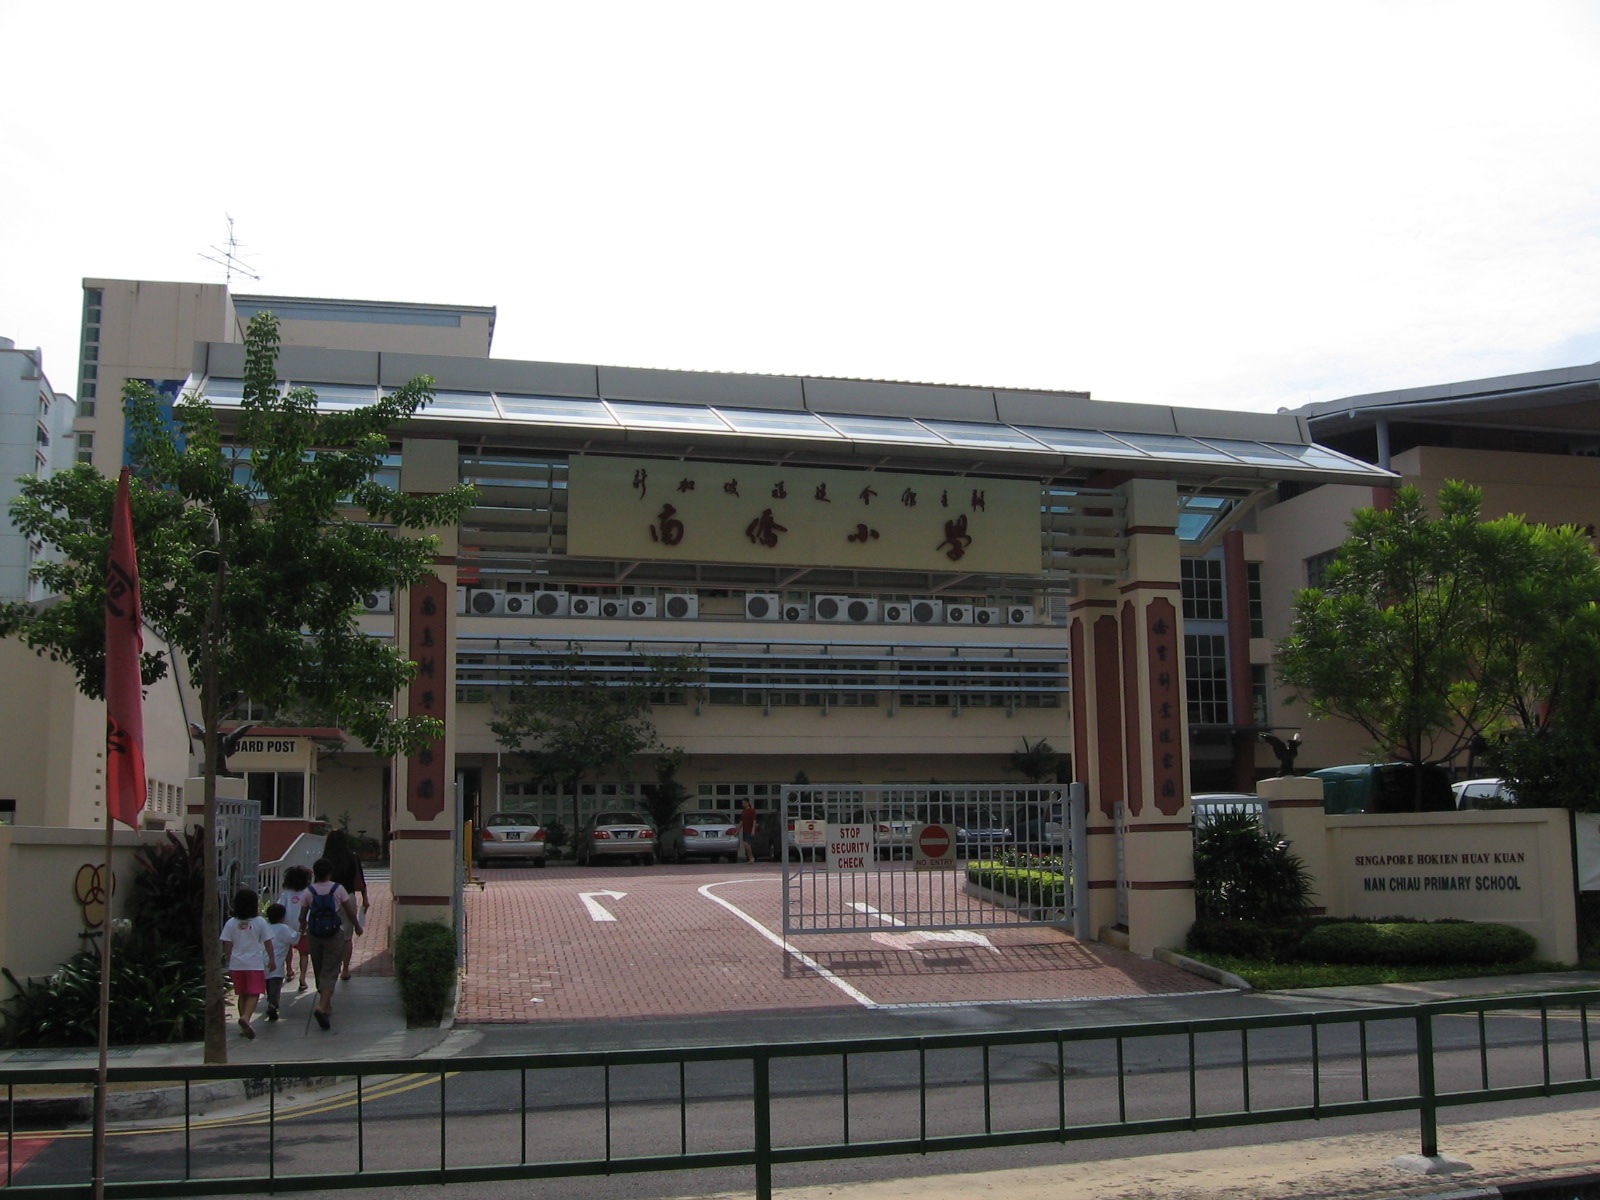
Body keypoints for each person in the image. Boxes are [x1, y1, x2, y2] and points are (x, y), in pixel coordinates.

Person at [300, 857, 358, 1031]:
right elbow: (349, 911)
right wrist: (357, 926)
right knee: (331, 969)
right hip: (333, 933)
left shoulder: (309, 891)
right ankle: (321, 1006)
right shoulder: (338, 889)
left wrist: (302, 927)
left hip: (314, 934)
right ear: (330, 872)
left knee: (319, 968)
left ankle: (326, 1004)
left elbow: (302, 916)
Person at [219, 888, 274, 1040]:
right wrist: (272, 959)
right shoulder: (260, 922)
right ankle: (246, 1018)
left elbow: (227, 944)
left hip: (237, 964)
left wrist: (230, 959)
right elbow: (268, 942)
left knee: (242, 994)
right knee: (254, 992)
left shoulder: (231, 923)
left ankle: (244, 1024)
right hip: (254, 963)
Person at [323, 830, 369, 981]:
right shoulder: (352, 857)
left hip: (329, 898)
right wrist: (365, 898)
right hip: (348, 897)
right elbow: (360, 879)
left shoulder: (326, 859)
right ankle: (345, 970)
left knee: (330, 934)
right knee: (347, 937)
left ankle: (332, 967)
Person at [276, 864, 313, 990]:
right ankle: (302, 977)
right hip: (303, 928)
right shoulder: (308, 893)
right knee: (304, 953)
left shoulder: (286, 894)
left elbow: (280, 908)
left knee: (288, 950)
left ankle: (289, 970)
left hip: (287, 927)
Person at [262, 903, 298, 1023]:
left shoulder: (265, 927)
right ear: (283, 917)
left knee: (268, 984)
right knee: (276, 985)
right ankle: (273, 1004)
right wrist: (302, 930)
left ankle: (270, 1001)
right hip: (276, 964)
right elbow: (294, 938)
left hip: (263, 961)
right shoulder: (284, 928)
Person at [738, 799, 758, 863]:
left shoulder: (752, 810)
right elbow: (742, 821)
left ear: (748, 803)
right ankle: (750, 858)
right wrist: (738, 829)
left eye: (744, 803)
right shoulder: (743, 811)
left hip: (750, 830)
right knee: (746, 845)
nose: (743, 804)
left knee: (746, 844)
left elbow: (754, 820)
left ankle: (752, 857)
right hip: (745, 830)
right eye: (742, 803)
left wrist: (753, 830)